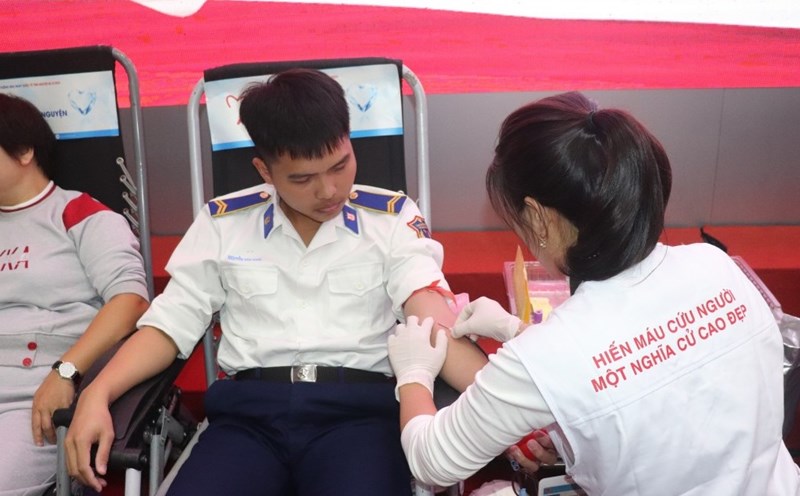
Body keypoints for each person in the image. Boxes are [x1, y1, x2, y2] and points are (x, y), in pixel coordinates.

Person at [65, 68, 488, 495]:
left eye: (340, 165)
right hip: (248, 422)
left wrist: (509, 404)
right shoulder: (223, 223)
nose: (329, 190)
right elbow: (168, 326)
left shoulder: (391, 219)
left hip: (358, 419)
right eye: (302, 179)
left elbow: (431, 320)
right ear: (264, 170)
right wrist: (97, 393)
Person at [388, 91, 800, 494]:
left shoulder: (546, 356)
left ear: (539, 218)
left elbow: (432, 459)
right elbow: (660, 379)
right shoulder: (716, 265)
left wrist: (413, 374)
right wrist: (517, 332)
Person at [0, 93, 149, 495]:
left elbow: (130, 301)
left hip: (36, 393)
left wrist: (66, 371)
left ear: (25, 151)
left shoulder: (80, 214)